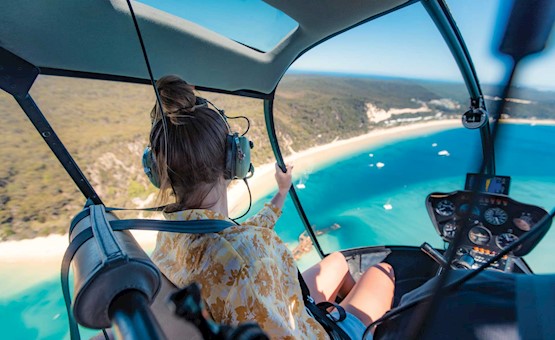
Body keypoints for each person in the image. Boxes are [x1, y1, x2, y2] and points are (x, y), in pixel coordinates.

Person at [149, 75, 395, 339]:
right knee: (383, 272)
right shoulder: (245, 256)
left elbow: (241, 236)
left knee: (336, 261)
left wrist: (281, 191)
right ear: (236, 159)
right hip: (302, 330)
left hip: (283, 310)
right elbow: (246, 248)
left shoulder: (171, 237)